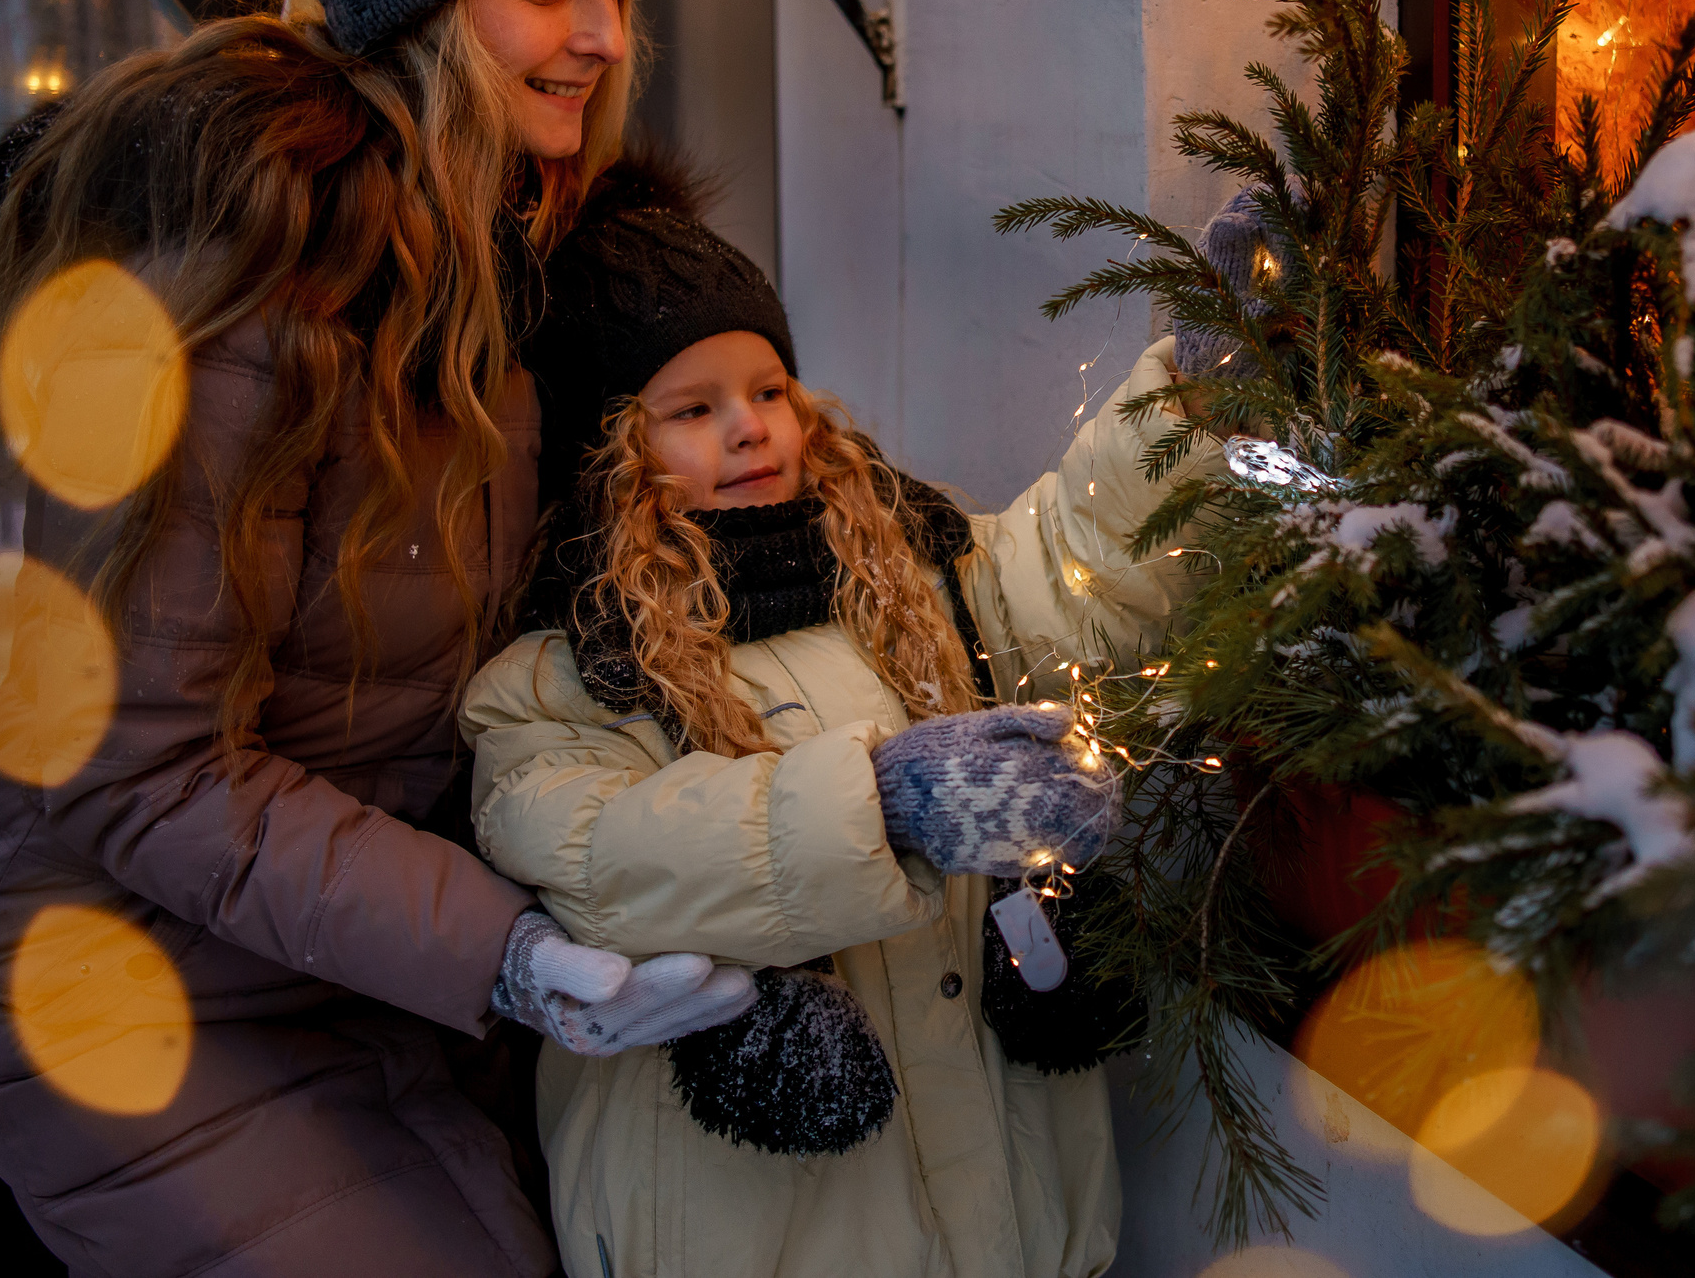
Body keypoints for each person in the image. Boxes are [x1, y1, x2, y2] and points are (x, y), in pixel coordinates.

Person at [0, 0, 755, 1278]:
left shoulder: (517, 262)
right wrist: (502, 948)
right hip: (137, 990)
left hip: (376, 971)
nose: (598, 34)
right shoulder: (234, 291)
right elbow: (134, 764)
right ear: (423, 2)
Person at [457, 180, 1223, 1278]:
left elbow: (1079, 564)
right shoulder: (566, 674)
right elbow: (608, 859)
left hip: (1013, 1203)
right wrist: (884, 803)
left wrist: (1186, 403)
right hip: (762, 1228)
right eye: (692, 408)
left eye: (768, 387)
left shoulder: (914, 578)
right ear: (605, 450)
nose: (751, 426)